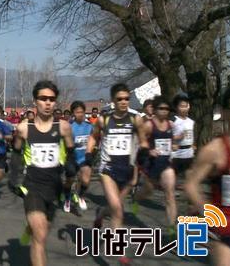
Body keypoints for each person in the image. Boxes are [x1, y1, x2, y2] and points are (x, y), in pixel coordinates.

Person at [14, 81, 75, 266]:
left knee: (42, 231)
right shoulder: (24, 128)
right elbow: (16, 153)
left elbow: (71, 151)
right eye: (43, 98)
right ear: (35, 101)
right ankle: (33, 230)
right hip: (32, 186)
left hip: (54, 186)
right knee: (40, 236)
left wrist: (71, 170)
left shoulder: (63, 127)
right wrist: (13, 178)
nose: (47, 103)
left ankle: (28, 229)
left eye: (51, 99)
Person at [87, 83, 148, 266]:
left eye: (126, 99)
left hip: (127, 171)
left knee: (115, 207)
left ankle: (100, 215)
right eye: (119, 99)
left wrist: (144, 153)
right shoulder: (103, 120)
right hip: (108, 169)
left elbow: (143, 141)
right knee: (117, 208)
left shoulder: (135, 119)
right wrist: (90, 153)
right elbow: (93, 137)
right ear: (113, 101)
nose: (123, 102)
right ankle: (119, 254)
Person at [184, 85, 230, 266]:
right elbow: (191, 184)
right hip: (227, 229)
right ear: (225, 112)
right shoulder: (215, 150)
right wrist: (208, 212)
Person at [132, 96, 178, 237]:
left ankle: (172, 228)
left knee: (169, 194)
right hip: (151, 164)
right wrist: (148, 150)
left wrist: (174, 145)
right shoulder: (149, 125)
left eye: (167, 109)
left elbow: (173, 140)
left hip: (165, 164)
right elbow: (138, 141)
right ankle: (136, 199)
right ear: (155, 109)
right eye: (161, 108)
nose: (164, 111)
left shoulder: (171, 125)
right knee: (148, 191)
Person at [62, 101, 93, 212]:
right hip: (72, 158)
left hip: (84, 158)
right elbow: (65, 144)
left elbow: (94, 139)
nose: (80, 114)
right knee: (69, 181)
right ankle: (67, 199)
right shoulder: (70, 127)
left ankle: (81, 196)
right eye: (77, 112)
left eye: (82, 112)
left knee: (86, 179)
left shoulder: (89, 126)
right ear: (73, 113)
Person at [171, 94, 195, 181]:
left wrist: (192, 145)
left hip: (189, 153)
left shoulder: (191, 121)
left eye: (186, 106)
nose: (185, 108)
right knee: (173, 177)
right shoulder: (173, 120)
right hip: (177, 153)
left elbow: (191, 135)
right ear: (176, 107)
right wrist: (177, 137)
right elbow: (165, 136)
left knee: (190, 177)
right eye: (182, 106)